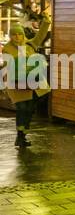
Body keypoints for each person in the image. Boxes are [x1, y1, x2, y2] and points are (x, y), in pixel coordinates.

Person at [4, 14, 51, 147]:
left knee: (29, 108)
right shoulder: (7, 48)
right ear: (10, 36)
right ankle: (20, 136)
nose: (17, 37)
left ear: (23, 34)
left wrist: (46, 21)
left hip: (32, 84)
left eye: (19, 34)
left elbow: (41, 35)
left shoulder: (30, 43)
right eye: (14, 35)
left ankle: (23, 135)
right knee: (22, 108)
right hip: (16, 84)